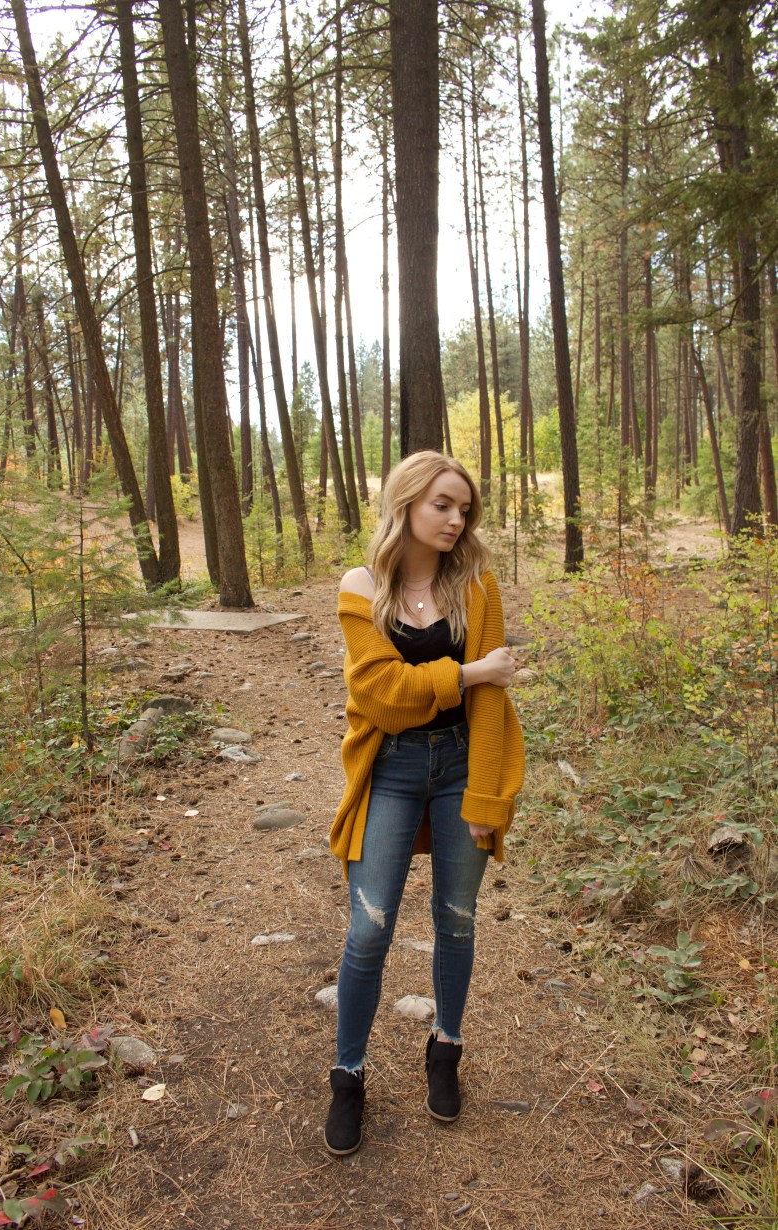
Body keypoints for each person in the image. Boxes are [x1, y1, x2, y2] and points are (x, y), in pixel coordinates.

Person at [324, 450, 525, 1156]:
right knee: (369, 926)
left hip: (463, 765)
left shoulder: (476, 587)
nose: (456, 519)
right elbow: (380, 697)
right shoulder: (362, 587)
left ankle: (446, 1049)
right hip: (391, 769)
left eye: (464, 509)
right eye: (442, 504)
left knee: (457, 920)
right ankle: (348, 1075)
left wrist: (488, 794)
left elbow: (493, 706)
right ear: (406, 502)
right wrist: (469, 672)